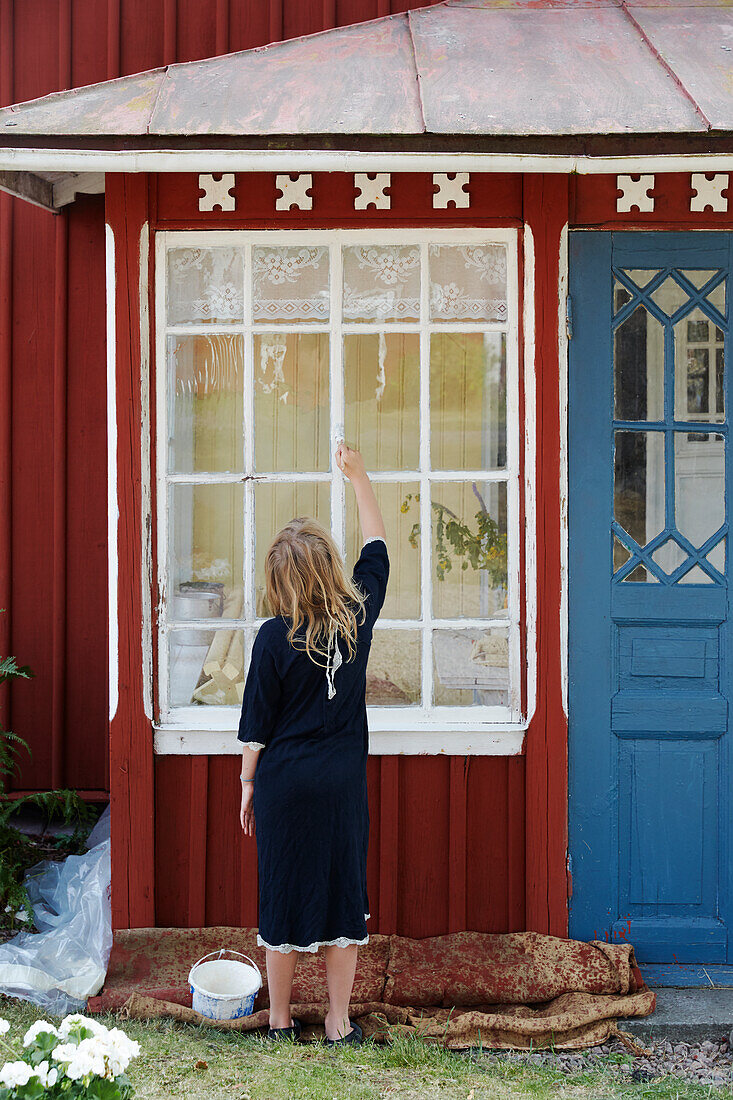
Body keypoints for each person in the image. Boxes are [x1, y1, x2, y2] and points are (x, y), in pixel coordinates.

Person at [238, 442, 389, 1046]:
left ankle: (277, 1022)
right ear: (329, 568)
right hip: (340, 787)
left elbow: (255, 727)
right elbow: (377, 552)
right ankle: (337, 1021)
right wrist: (359, 477)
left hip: (285, 786)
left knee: (283, 900)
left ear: (280, 580)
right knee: (341, 902)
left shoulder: (273, 639)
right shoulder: (357, 619)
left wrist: (248, 786)